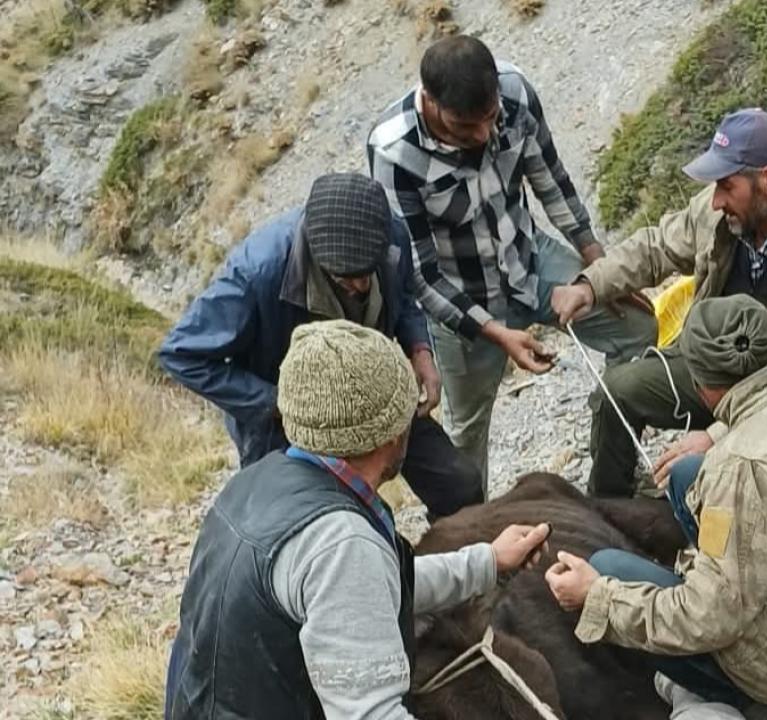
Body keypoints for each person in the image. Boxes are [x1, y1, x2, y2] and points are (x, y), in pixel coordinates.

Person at [165, 320, 551, 719]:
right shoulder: (341, 543)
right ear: (391, 435)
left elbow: (369, 591)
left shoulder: (255, 483)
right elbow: (372, 713)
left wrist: (487, 562)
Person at [544, 296, 767, 712]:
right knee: (686, 475)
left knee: (607, 568)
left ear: (699, 382)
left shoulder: (741, 468)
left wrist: (598, 597)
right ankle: (712, 572)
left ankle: (738, 695)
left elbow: (711, 618)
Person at [550, 108, 767, 498]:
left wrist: (716, 436)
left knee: (703, 480)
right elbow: (655, 247)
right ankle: (608, 508)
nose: (714, 202)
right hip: (726, 367)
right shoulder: (728, 212)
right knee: (618, 391)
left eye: (726, 187)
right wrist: (589, 286)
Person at [367, 34, 655, 486]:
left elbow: (552, 182)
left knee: (637, 327)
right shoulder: (394, 151)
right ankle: (474, 538)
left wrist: (601, 269)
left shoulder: (515, 91)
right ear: (431, 102)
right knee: (466, 433)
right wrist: (496, 333)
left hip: (530, 260)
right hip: (462, 303)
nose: (483, 135)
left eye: (490, 119)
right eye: (467, 128)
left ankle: (612, 476)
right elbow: (421, 276)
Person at [158, 173, 483, 517]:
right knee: (294, 523)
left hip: (374, 391)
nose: (359, 286)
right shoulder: (257, 273)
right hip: (289, 426)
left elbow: (403, 295)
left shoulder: (392, 235)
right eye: (345, 278)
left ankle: (455, 562)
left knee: (459, 486)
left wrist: (420, 349)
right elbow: (182, 355)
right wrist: (278, 403)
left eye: (366, 273)